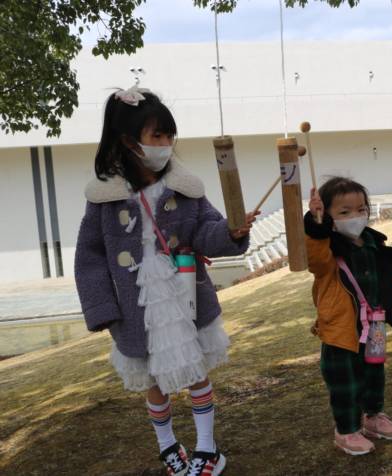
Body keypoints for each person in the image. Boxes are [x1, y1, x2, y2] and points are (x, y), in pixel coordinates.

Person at [75, 86, 256, 475]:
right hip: (134, 304)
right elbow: (88, 258)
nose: (166, 144)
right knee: (151, 379)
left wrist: (232, 233)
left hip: (182, 293)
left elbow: (207, 230)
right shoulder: (102, 198)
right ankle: (169, 447)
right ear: (128, 141)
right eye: (157, 135)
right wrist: (102, 309)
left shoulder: (185, 187)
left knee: (195, 370)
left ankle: (208, 449)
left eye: (169, 135)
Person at [304, 177, 392, 455]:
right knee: (345, 383)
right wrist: (315, 225)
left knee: (374, 374)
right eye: (344, 212)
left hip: (375, 326)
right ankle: (346, 431)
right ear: (327, 216)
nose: (355, 217)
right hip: (342, 331)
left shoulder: (372, 242)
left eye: (361, 209)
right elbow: (315, 259)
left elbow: (385, 275)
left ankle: (373, 417)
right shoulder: (326, 249)